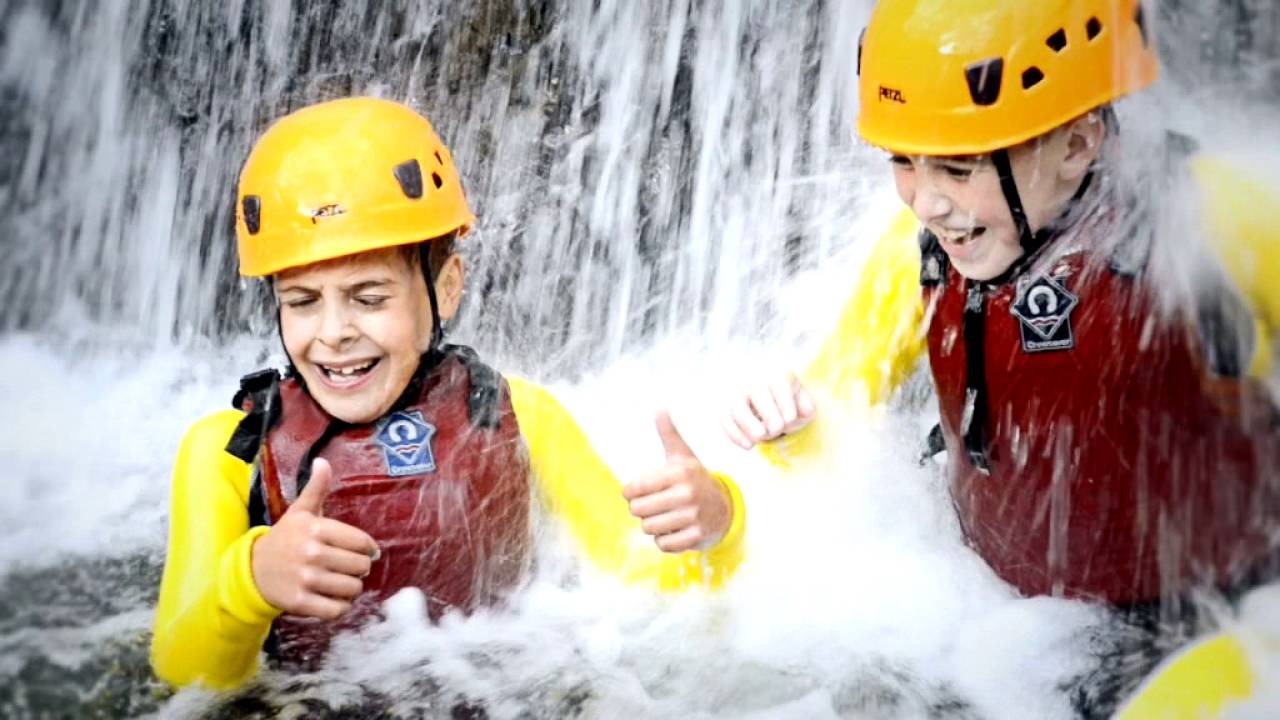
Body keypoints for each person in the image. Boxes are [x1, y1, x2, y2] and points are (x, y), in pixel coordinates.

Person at [722, 0, 1280, 714]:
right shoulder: (918, 252)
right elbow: (838, 411)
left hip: (1210, 625)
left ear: (1079, 141)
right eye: (902, 161)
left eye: (957, 168)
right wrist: (789, 430)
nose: (926, 202)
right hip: (991, 620)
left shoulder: (1212, 221)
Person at [151, 97, 746, 690]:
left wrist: (718, 520)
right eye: (302, 302)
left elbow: (650, 589)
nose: (333, 332)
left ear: (447, 287)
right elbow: (183, 671)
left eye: (369, 297)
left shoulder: (518, 417)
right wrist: (249, 579)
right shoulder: (230, 452)